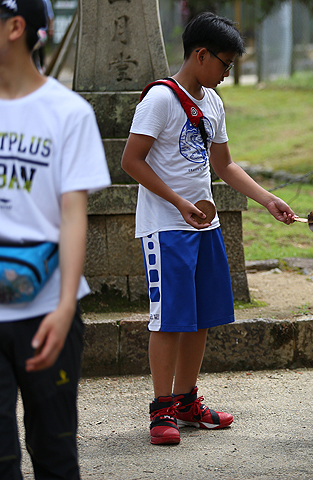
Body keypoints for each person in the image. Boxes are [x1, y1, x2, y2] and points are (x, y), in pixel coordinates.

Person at [121, 12, 297, 446]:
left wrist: (267, 199)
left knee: (199, 317)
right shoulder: (160, 100)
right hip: (166, 228)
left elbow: (224, 165)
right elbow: (131, 161)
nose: (226, 73)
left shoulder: (213, 103)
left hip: (205, 225)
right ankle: (161, 410)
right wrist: (178, 202)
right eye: (224, 63)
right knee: (168, 321)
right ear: (201, 54)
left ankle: (186, 402)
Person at [0, 0, 111, 477]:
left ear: (15, 27)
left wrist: (65, 307)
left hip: (47, 312)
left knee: (54, 451)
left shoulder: (68, 113)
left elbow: (72, 215)